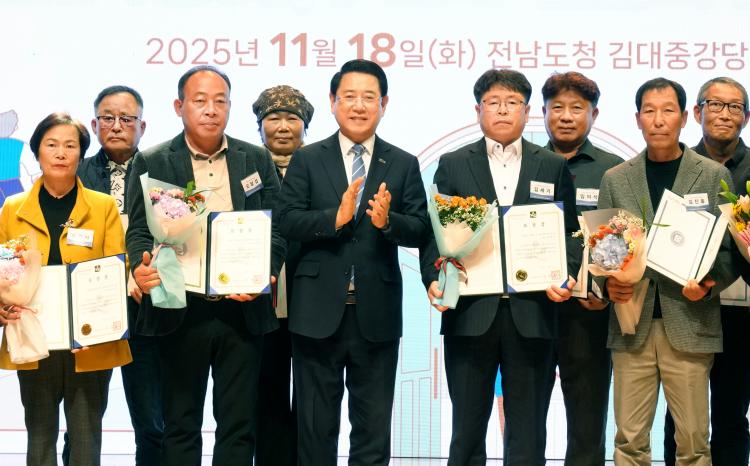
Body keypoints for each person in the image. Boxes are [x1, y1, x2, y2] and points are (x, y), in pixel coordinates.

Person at [126, 65, 285, 466]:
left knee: (238, 425)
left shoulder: (256, 158)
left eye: (220, 101)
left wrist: (264, 272)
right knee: (179, 425)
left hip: (242, 308)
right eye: (200, 101)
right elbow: (140, 231)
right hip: (180, 309)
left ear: (230, 106)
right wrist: (139, 268)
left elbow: (277, 229)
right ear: (179, 106)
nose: (211, 109)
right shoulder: (152, 160)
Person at [420, 68, 581, 466]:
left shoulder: (552, 165)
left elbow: (571, 233)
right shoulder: (454, 163)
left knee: (528, 432)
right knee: (466, 430)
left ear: (527, 112)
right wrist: (434, 278)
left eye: (513, 103)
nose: (503, 110)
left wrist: (568, 273)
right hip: (471, 312)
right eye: (493, 102)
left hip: (533, 312)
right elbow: (434, 232)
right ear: (478, 110)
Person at [276, 59, 428, 466]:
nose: (359, 106)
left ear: (384, 104)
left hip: (376, 314)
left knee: (372, 431)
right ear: (332, 102)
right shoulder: (308, 158)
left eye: (368, 97)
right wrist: (334, 218)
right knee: (314, 428)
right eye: (349, 97)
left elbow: (419, 228)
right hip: (316, 313)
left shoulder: (403, 162)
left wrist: (388, 222)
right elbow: (286, 220)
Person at [597, 77, 736, 466]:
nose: (658, 120)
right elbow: (601, 248)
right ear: (637, 119)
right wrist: (608, 285)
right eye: (649, 111)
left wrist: (708, 285)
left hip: (690, 321)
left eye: (668, 110)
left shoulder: (712, 175)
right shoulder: (616, 178)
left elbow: (728, 252)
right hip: (631, 325)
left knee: (693, 442)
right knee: (629, 440)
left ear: (685, 118)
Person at [0, 112, 132, 466]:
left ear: (81, 154)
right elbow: (4, 269)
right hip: (33, 337)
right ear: (37, 152)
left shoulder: (103, 206)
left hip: (90, 342)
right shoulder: (12, 208)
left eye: (70, 146)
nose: (61, 153)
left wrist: (100, 325)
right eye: (52, 144)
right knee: (39, 439)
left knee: (86, 441)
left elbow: (117, 270)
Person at [72, 85, 163, 466]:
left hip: (147, 307)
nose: (116, 126)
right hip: (91, 307)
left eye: (127, 118)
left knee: (152, 417)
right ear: (94, 125)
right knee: (82, 417)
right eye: (107, 118)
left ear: (142, 126)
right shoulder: (75, 173)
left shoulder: (161, 169)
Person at [663, 77, 750, 466]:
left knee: (732, 415)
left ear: (746, 117)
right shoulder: (677, 165)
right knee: (680, 418)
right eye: (715, 104)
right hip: (687, 307)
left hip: (742, 313)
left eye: (735, 107)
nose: (724, 114)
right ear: (697, 112)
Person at [540, 71, 623, 466]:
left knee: (588, 422)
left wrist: (604, 293)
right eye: (557, 107)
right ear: (543, 113)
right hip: (533, 311)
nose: (566, 116)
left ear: (594, 114)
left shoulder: (613, 169)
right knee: (525, 420)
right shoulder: (528, 163)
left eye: (577, 108)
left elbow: (620, 238)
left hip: (588, 314)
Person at [251, 84, 314, 466]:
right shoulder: (246, 164)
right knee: (266, 393)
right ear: (260, 125)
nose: (283, 126)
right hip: (259, 302)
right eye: (273, 118)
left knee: (312, 400)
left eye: (292, 118)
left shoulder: (321, 164)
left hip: (312, 302)